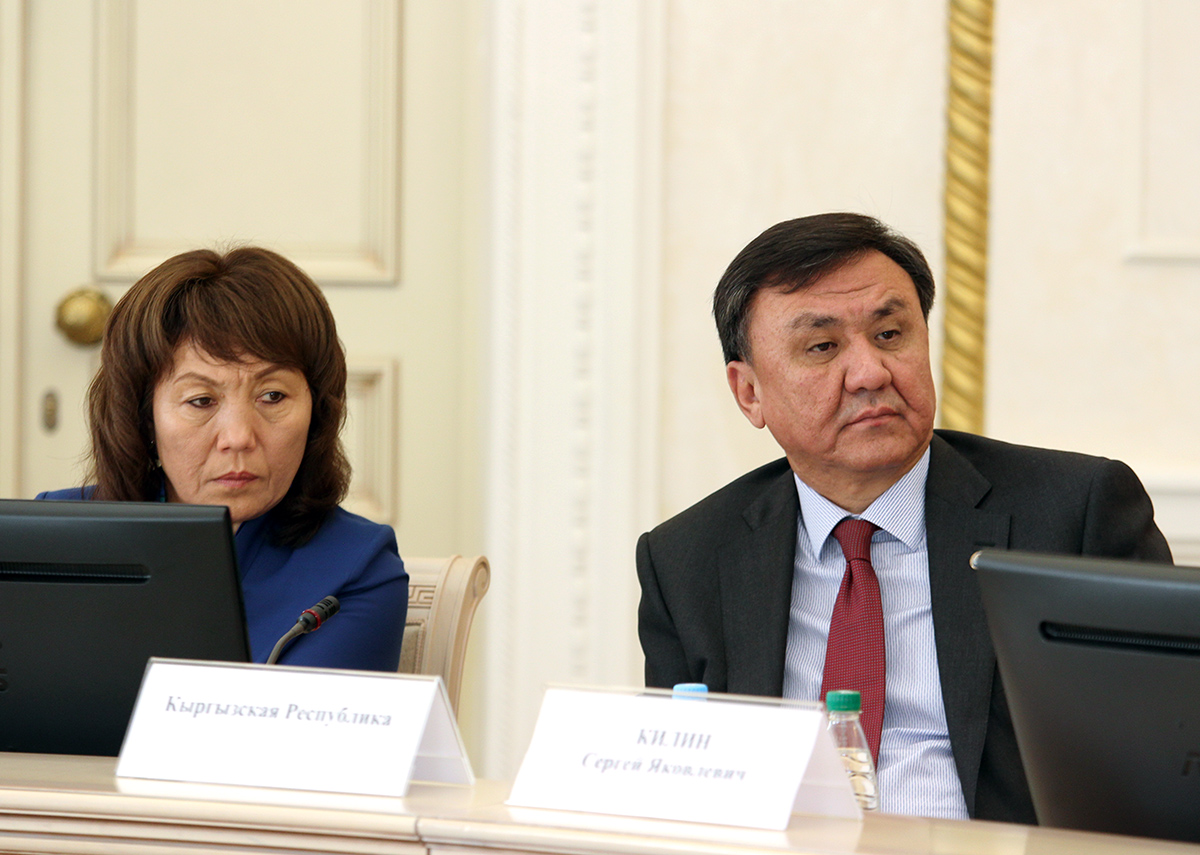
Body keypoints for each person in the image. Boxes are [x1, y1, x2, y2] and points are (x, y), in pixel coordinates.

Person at [636, 213, 1170, 822]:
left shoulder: (1074, 512)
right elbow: (679, 791)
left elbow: (1163, 753)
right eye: (822, 347)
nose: (871, 373)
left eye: (890, 334)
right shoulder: (687, 561)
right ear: (749, 392)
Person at [39, 247, 407, 671]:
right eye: (201, 400)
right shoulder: (54, 539)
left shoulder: (355, 567)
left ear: (318, 411)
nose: (238, 438)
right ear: (143, 418)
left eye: (273, 396)